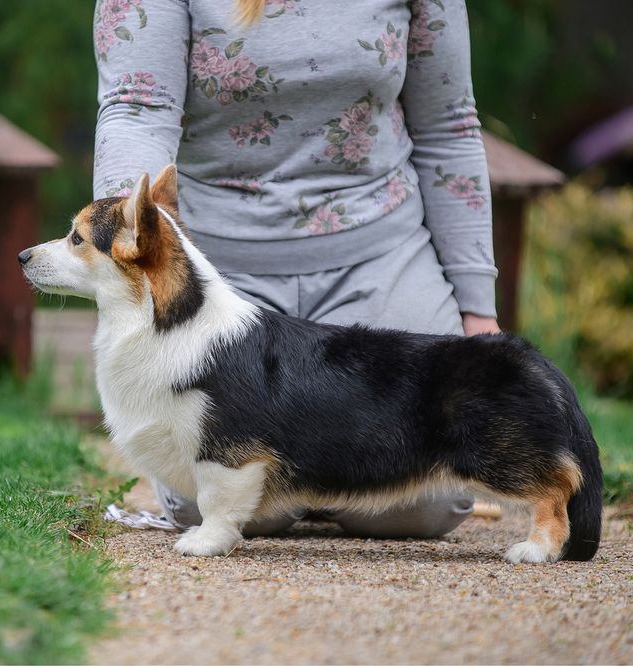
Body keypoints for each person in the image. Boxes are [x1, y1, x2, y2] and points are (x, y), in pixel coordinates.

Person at [92, 0, 500, 538]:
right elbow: (137, 108)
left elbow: (449, 125)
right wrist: (133, 257)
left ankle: (310, 485)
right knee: (218, 506)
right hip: (221, 277)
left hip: (380, 252)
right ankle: (312, 487)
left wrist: (478, 312)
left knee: (426, 504)